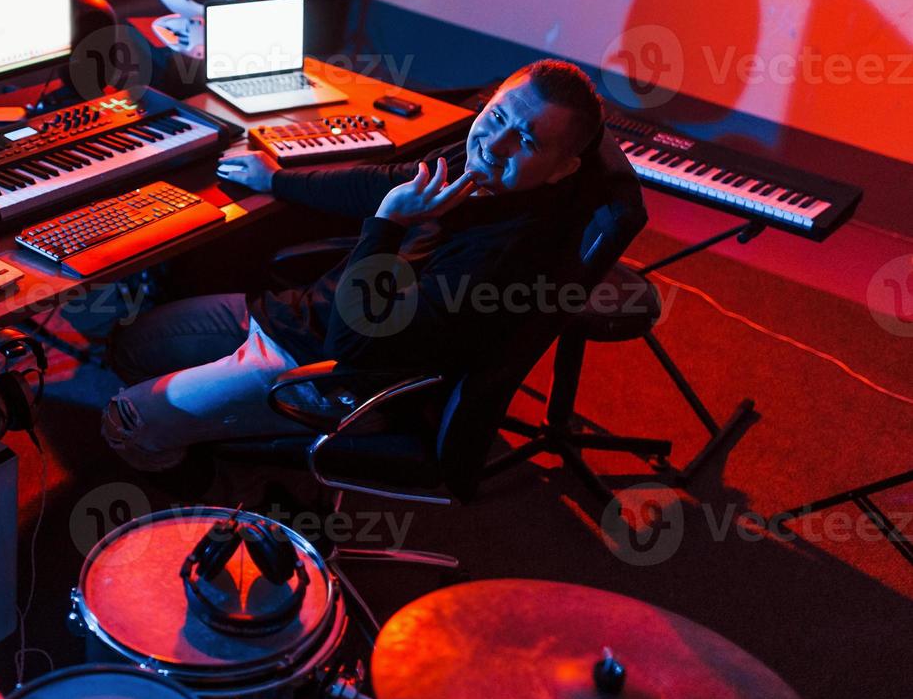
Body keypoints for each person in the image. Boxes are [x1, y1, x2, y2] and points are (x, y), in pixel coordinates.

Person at [102, 59, 618, 471]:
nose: (495, 143)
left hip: (334, 377)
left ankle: (205, 493)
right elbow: (384, 181)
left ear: (563, 169)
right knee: (132, 346)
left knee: (122, 419)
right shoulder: (481, 165)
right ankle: (216, 430)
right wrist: (276, 179)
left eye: (526, 141)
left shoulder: (506, 260)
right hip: (303, 315)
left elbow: (352, 346)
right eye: (498, 115)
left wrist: (388, 225)